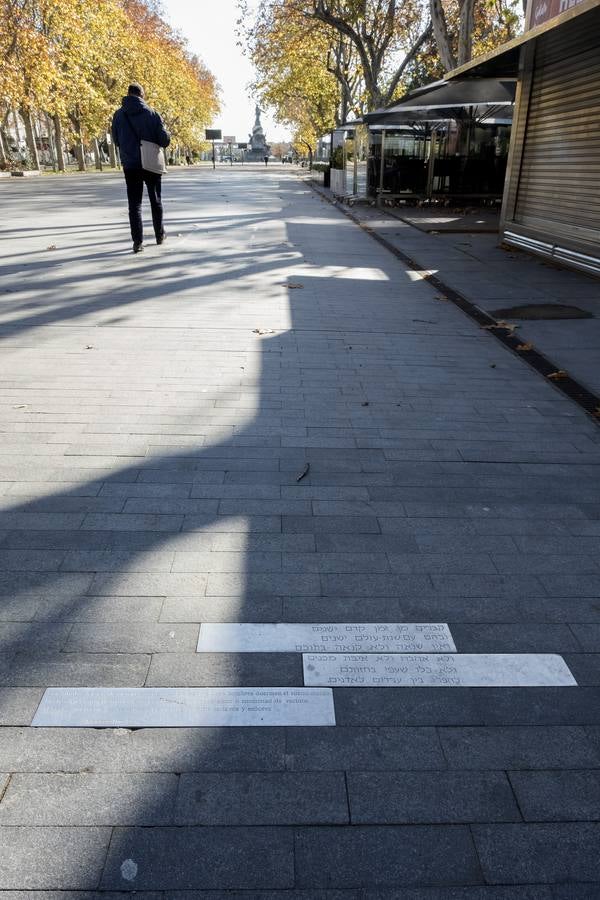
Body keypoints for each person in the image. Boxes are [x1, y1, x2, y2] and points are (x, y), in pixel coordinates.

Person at [111, 83, 170, 253]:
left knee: (134, 204)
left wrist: (128, 150)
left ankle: (137, 242)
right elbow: (164, 140)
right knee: (155, 200)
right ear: (142, 95)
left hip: (130, 164)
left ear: (128, 94)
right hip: (150, 162)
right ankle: (159, 235)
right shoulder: (152, 114)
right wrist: (167, 134)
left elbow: (116, 140)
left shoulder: (118, 115)